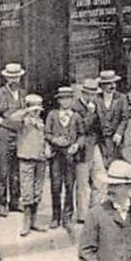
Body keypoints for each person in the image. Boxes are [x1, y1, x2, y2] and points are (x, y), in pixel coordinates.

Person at [0, 63, 28, 217]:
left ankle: (15, 201)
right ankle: (1, 203)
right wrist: (0, 121)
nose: (14, 80)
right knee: (3, 170)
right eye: (11, 77)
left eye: (16, 77)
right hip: (4, 134)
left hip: (19, 134)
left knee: (16, 170)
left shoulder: (24, 94)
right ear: (6, 77)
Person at [9, 92, 48, 237]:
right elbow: (12, 118)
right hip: (26, 159)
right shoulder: (22, 121)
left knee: (37, 191)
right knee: (27, 192)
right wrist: (26, 111)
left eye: (38, 110)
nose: (37, 112)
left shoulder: (41, 122)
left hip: (41, 160)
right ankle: (26, 223)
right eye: (34, 109)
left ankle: (34, 221)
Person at [45, 85, 82, 230]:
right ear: (59, 101)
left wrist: (77, 145)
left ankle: (67, 216)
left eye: (68, 99)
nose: (65, 102)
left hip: (70, 156)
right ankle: (55, 216)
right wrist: (54, 140)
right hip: (56, 155)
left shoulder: (76, 116)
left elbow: (82, 135)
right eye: (62, 99)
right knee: (55, 186)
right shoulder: (52, 115)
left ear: (72, 100)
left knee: (69, 185)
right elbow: (46, 133)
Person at [72, 77, 100, 218]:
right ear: (84, 93)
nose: (92, 96)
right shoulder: (75, 107)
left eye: (94, 94)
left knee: (98, 180)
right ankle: (82, 215)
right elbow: (81, 128)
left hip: (95, 146)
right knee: (83, 184)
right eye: (90, 94)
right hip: (82, 149)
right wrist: (90, 113)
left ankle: (95, 211)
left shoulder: (95, 104)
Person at [92, 70, 127, 169]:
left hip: (116, 137)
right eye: (108, 83)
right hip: (101, 138)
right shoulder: (96, 99)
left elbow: (125, 118)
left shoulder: (121, 98)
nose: (112, 86)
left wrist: (119, 133)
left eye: (114, 83)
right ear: (102, 85)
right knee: (102, 163)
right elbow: (93, 120)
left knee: (116, 163)